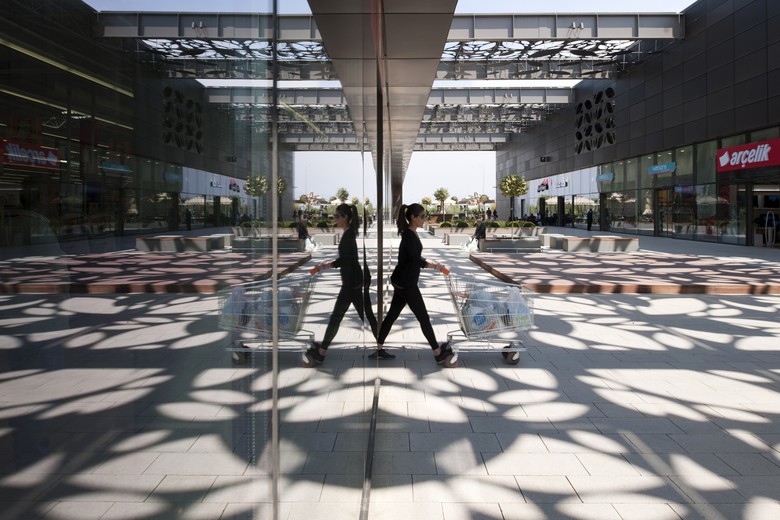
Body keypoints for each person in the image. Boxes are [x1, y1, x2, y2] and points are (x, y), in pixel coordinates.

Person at [374, 203, 452, 363]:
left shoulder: (411, 233)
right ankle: (437, 353)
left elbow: (414, 256)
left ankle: (379, 349)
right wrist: (435, 267)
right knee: (423, 317)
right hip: (406, 283)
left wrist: (431, 262)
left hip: (402, 281)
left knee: (392, 315)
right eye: (422, 216)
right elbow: (415, 259)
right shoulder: (409, 235)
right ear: (413, 217)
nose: (424, 219)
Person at [305, 204, 378, 364]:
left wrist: (324, 266)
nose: (335, 219)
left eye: (337, 216)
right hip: (354, 282)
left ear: (345, 218)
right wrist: (325, 265)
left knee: (337, 317)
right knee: (365, 315)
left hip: (351, 284)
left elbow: (345, 260)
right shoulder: (349, 234)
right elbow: (347, 259)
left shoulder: (348, 236)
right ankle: (381, 346)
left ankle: (322, 353)